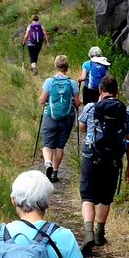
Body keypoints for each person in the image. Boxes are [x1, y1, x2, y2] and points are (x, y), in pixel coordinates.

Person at [78, 74, 129, 253]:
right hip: (113, 159)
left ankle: (88, 233)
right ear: (117, 91)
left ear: (100, 90)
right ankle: (99, 234)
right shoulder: (126, 111)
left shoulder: (91, 107)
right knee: (105, 197)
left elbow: (81, 128)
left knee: (88, 197)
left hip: (91, 156)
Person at [39, 55, 80, 183]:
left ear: (55, 65)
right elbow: (77, 103)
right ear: (67, 67)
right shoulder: (72, 83)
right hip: (67, 119)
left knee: (47, 144)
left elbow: (42, 100)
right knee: (59, 146)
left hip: (50, 117)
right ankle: (55, 172)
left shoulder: (49, 82)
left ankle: (48, 163)